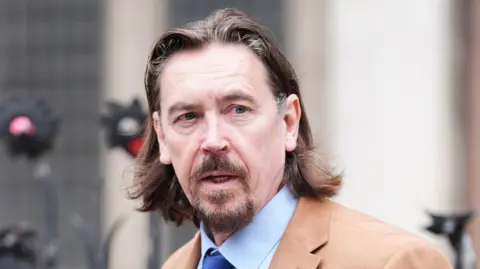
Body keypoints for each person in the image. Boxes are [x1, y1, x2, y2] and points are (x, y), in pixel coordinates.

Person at [130, 8, 452, 269]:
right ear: (162, 136)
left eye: (238, 109)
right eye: (188, 117)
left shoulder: (393, 263)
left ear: (288, 123)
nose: (213, 140)